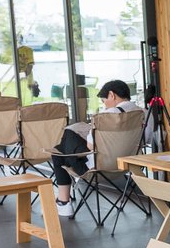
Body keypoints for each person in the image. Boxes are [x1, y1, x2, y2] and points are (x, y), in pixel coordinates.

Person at [51, 79, 142, 218]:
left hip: (97, 168)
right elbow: (144, 139)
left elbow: (90, 146)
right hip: (128, 164)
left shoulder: (107, 116)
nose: (104, 104)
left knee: (60, 148)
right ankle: (64, 201)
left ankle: (63, 202)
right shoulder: (142, 112)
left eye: (104, 100)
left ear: (112, 95)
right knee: (64, 145)